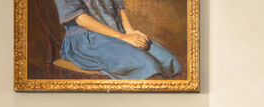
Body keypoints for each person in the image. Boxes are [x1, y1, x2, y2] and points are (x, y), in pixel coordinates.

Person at [53, 0, 182, 79]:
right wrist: (123, 37)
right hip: (86, 39)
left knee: (168, 59)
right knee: (146, 64)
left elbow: (118, 7)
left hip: (118, 32)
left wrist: (129, 31)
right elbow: (81, 19)